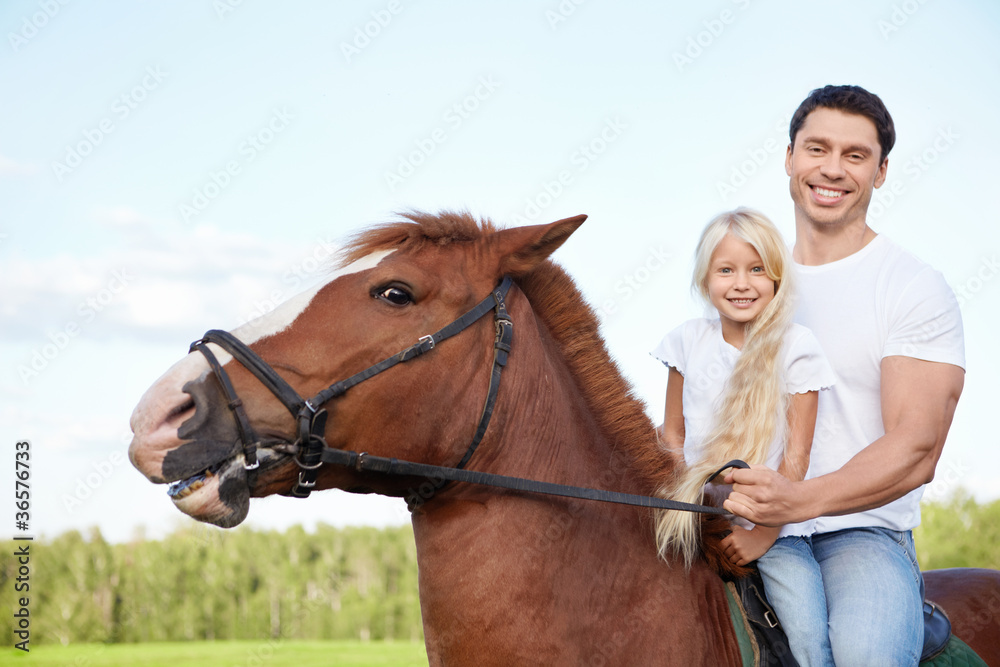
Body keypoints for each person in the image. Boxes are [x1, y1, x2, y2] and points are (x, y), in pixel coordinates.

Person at [722, 85, 966, 666]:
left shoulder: (911, 286)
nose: (832, 169)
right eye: (817, 149)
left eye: (855, 155)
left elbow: (916, 447)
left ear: (881, 172)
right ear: (789, 159)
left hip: (862, 533)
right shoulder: (746, 279)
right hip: (745, 516)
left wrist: (797, 501)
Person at [650, 208, 835, 585]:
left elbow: (796, 457)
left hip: (774, 530)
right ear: (705, 279)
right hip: (696, 518)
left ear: (777, 279)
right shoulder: (686, 341)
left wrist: (763, 534)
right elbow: (672, 437)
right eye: (726, 270)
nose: (741, 284)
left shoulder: (796, 347)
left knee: (805, 628)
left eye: (757, 269)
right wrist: (680, 512)